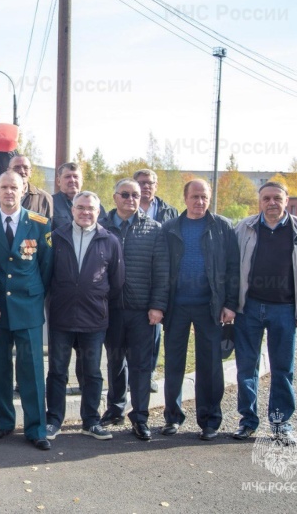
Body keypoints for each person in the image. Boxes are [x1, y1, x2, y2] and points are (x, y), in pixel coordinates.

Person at [233, 181, 297, 442]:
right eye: (266, 199)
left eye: (277, 198)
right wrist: (230, 304)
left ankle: (280, 422)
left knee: (282, 368)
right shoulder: (245, 227)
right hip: (248, 308)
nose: (271, 203)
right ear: (259, 202)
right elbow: (230, 268)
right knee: (246, 367)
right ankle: (247, 420)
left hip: (285, 310)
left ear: (287, 201)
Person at [0, 171, 53, 450]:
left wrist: (35, 295)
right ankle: (2, 423)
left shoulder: (40, 224)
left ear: (23, 191)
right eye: (4, 187)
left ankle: (36, 429)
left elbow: (46, 266)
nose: (9, 192)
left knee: (31, 369)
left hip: (28, 306)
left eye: (14, 187)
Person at [161, 180, 239, 441]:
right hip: (177, 307)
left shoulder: (223, 227)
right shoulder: (170, 228)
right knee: (174, 364)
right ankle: (172, 417)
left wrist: (229, 304)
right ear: (185, 198)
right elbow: (161, 270)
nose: (200, 202)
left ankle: (209, 420)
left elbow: (233, 268)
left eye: (204, 197)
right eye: (195, 196)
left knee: (211, 365)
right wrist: (159, 305)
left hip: (211, 307)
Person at [45, 191, 124, 441]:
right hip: (61, 316)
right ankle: (53, 419)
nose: (85, 212)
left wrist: (97, 300)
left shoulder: (109, 240)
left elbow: (117, 281)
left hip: (94, 319)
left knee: (92, 372)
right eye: (80, 207)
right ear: (72, 210)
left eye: (90, 208)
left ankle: (90, 421)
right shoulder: (56, 238)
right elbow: (46, 275)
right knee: (57, 370)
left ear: (98, 212)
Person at [98, 178, 169, 441]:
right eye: (125, 194)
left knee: (140, 366)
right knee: (115, 362)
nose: (130, 199)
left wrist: (157, 306)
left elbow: (162, 272)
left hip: (143, 312)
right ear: (115, 197)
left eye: (135, 195)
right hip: (111, 310)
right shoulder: (101, 228)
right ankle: (115, 408)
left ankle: (140, 416)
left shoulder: (154, 229)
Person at [133, 168, 178, 394]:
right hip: (134, 279)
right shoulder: (126, 208)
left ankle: (149, 372)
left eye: (150, 183)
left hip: (159, 278)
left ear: (156, 185)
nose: (145, 186)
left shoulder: (170, 212)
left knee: (154, 333)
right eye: (141, 182)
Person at [0, 155, 53, 219]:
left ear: (31, 172)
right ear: (8, 170)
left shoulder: (44, 198)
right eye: (16, 167)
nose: (21, 171)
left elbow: (49, 229)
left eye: (25, 168)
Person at [51, 163, 106, 231]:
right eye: (67, 176)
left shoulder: (94, 204)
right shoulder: (50, 203)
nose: (72, 180)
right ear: (58, 181)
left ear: (82, 181)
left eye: (76, 176)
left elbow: (103, 231)